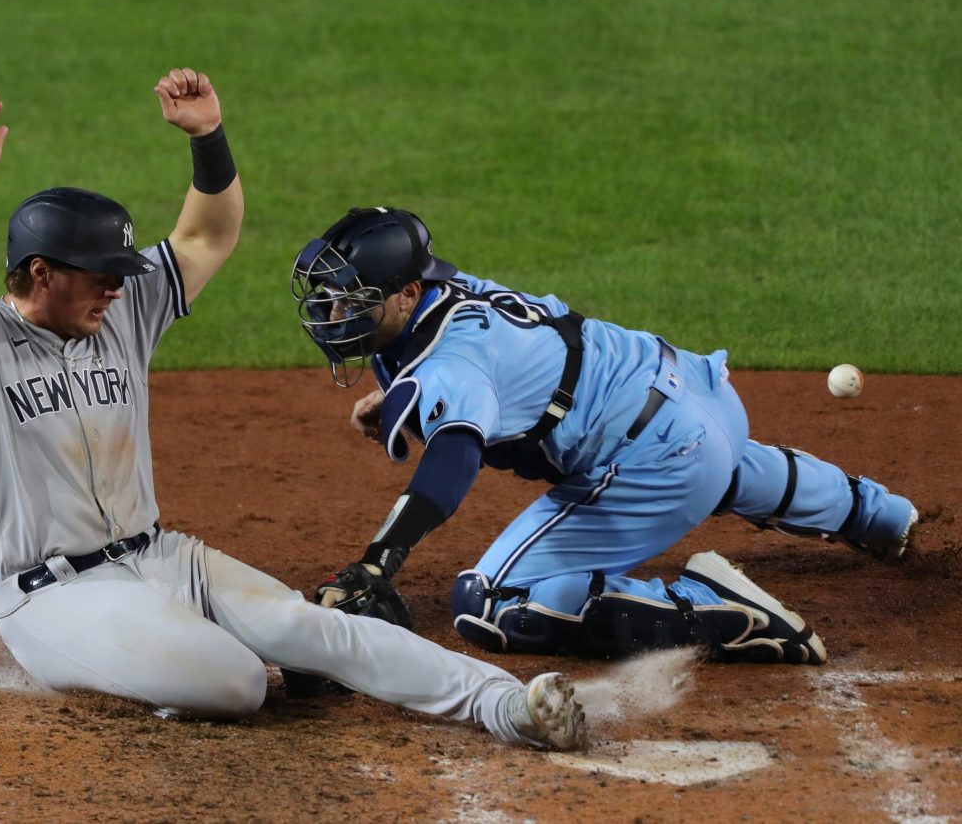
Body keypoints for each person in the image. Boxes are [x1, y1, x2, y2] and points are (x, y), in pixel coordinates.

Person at [0, 70, 584, 751]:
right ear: (39, 272)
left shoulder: (120, 314)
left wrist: (207, 137)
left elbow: (206, 234)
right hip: (54, 599)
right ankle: (194, 657)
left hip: (160, 556)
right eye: (100, 278)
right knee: (240, 680)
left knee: (316, 629)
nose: (118, 292)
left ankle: (505, 704)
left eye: (122, 278)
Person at [291, 206, 918, 663]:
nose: (334, 314)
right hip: (700, 395)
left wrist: (379, 561)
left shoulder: (451, 365)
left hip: (664, 456)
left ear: (406, 292)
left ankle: (719, 612)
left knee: (488, 603)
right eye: (333, 298)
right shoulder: (449, 297)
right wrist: (407, 397)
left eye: (353, 301)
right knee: (702, 458)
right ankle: (876, 513)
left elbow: (452, 465)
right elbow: (484, 365)